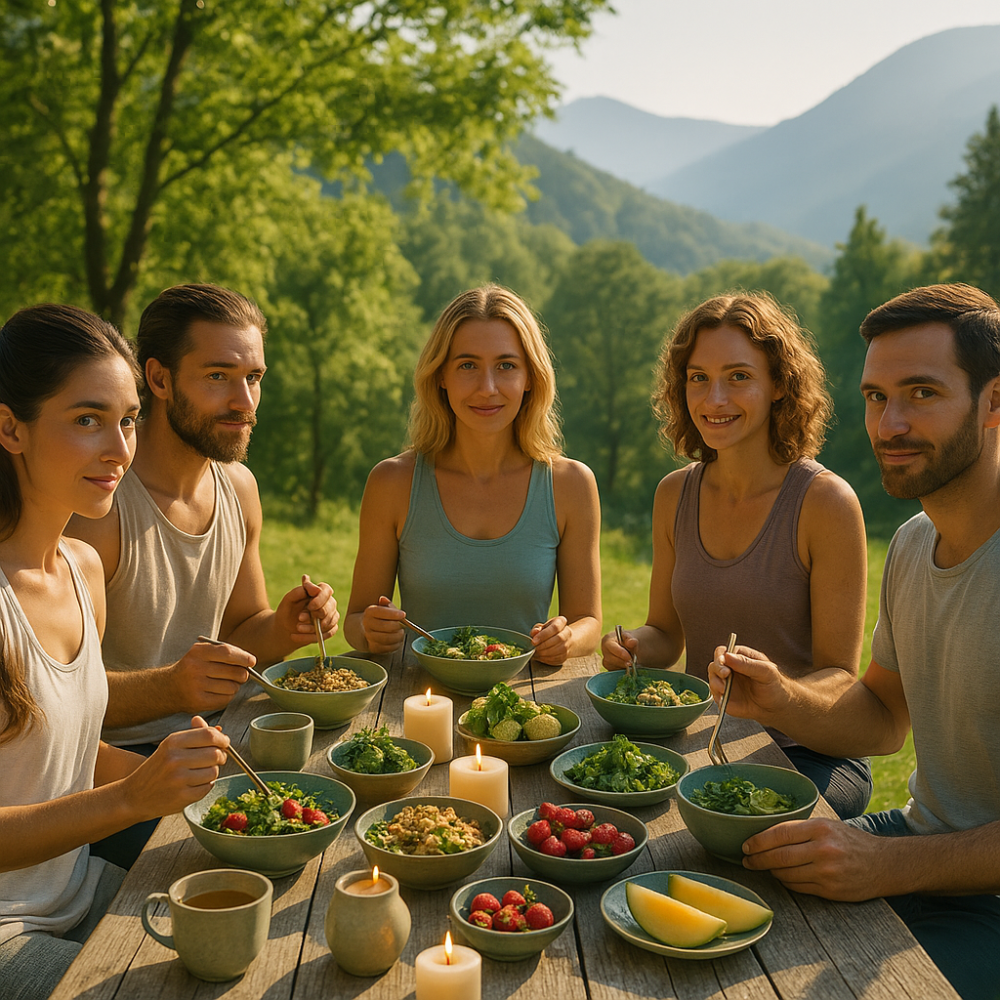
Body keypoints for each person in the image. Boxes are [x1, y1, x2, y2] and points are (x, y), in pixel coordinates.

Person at [711, 283, 1000, 1000]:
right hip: (920, 842)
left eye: (922, 393)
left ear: (995, 402)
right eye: (876, 396)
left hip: (984, 901)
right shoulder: (911, 544)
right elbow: (881, 719)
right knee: (717, 885)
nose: (890, 423)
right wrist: (782, 700)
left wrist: (883, 865)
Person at [0, 305, 231, 1000]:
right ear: (10, 426)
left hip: (79, 892)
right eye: (86, 419)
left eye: (128, 419)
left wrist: (193, 791)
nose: (119, 448)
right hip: (8, 933)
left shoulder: (80, 568)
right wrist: (134, 797)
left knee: (248, 922)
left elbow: (57, 753)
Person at [66, 283, 338, 864]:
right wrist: (171, 686)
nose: (244, 400)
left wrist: (285, 626)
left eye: (254, 377)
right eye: (218, 376)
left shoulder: (238, 487)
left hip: (222, 740)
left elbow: (243, 635)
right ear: (159, 379)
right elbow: (61, 708)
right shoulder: (99, 511)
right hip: (121, 773)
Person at [601, 292, 872, 820]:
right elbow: (665, 633)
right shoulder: (673, 495)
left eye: (739, 376)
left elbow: (841, 676)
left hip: (809, 755)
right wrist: (634, 645)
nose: (714, 397)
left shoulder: (825, 502)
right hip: (705, 742)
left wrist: (780, 692)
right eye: (698, 377)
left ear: (779, 386)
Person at [344, 284, 601, 666]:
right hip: (417, 701)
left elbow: (589, 623)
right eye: (467, 365)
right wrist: (371, 629)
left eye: (506, 366)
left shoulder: (571, 485)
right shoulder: (392, 482)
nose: (488, 388)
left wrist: (567, 638)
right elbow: (355, 621)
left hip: (522, 706)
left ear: (530, 377)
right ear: (441, 376)